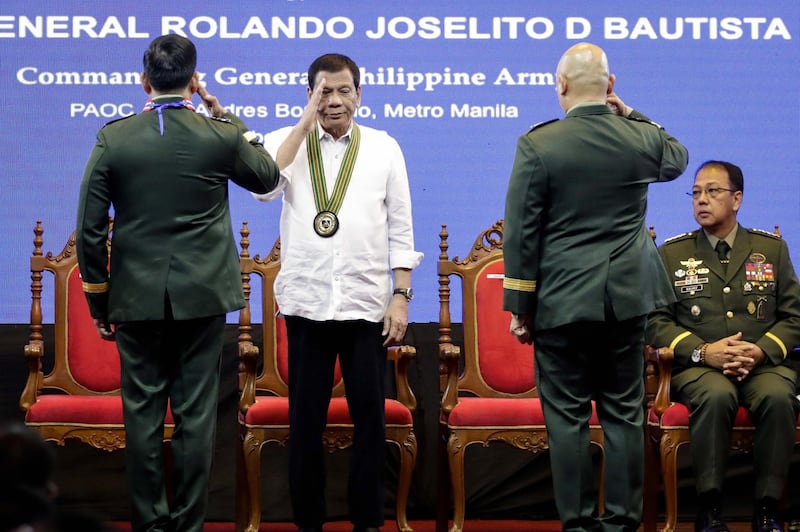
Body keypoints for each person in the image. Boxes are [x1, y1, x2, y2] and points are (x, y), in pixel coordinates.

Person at [75, 34, 281, 531]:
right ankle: (189, 526)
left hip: (135, 299)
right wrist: (226, 115)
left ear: (143, 81)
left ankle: (150, 525)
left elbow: (89, 228)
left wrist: (99, 300)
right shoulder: (219, 133)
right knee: (195, 417)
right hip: (203, 299)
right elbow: (268, 176)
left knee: (142, 417)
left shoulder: (114, 137)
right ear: (194, 81)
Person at [502, 42, 689, 531]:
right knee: (624, 415)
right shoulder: (639, 139)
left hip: (561, 304)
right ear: (609, 86)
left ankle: (579, 526)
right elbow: (677, 158)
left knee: (566, 421)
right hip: (626, 304)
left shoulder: (539, 144)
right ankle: (623, 524)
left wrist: (520, 305)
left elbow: (521, 232)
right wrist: (629, 111)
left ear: (560, 87)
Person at [252, 53, 423, 532]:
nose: (334, 101)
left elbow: (402, 226)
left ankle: (367, 523)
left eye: (343, 91)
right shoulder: (284, 142)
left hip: (365, 305)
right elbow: (264, 187)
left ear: (359, 95)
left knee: (371, 423)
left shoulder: (384, 147)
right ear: (309, 95)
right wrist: (304, 123)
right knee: (305, 425)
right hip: (307, 304)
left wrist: (401, 294)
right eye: (324, 92)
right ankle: (309, 523)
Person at [646, 160, 800, 532]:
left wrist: (760, 350)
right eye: (696, 192)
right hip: (699, 368)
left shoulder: (771, 249)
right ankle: (710, 508)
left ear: (737, 199)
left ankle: (766, 509)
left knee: (779, 397)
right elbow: (655, 322)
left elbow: (793, 318)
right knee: (715, 396)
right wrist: (703, 351)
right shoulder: (672, 254)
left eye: (712, 191)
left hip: (762, 365)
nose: (701, 199)